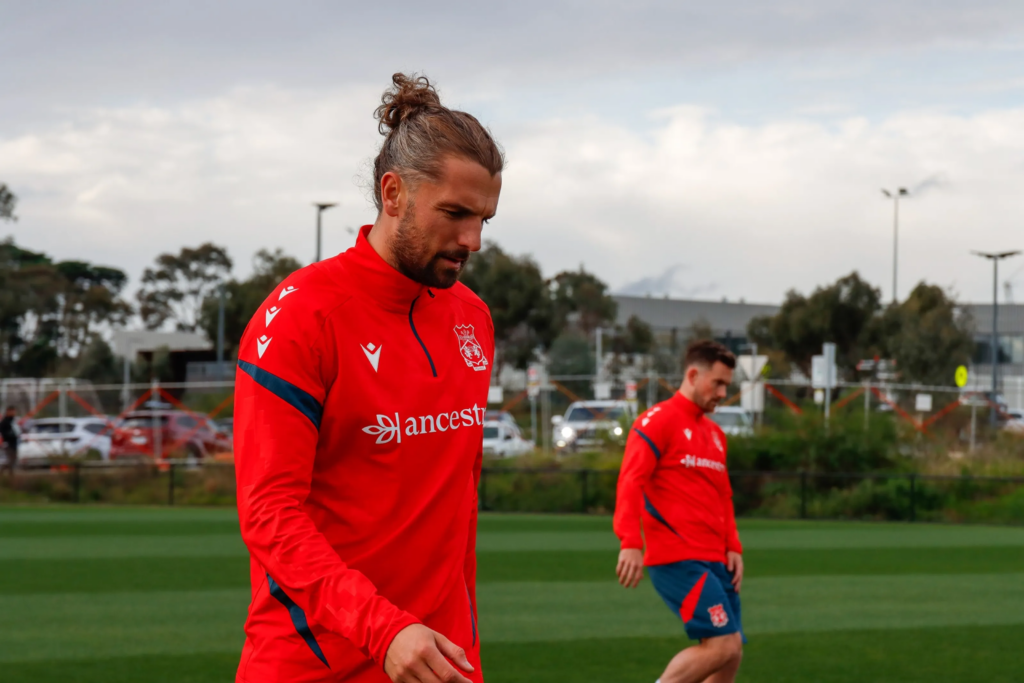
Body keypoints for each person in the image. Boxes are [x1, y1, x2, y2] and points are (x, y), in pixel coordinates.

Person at [232, 73, 502, 683]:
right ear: (393, 193)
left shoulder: (473, 319)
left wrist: (465, 647)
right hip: (314, 661)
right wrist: (384, 627)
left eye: (485, 218)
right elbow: (269, 511)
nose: (473, 240)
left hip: (438, 661)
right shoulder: (302, 315)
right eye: (455, 214)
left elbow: (458, 504)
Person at [614, 340, 745, 683]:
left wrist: (734, 546)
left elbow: (723, 496)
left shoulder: (715, 434)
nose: (722, 392)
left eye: (726, 385)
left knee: (730, 653)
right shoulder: (656, 421)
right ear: (692, 374)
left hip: (716, 559)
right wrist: (630, 540)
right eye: (717, 383)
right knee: (723, 645)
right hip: (676, 557)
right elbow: (631, 481)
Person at [0, 406, 18, 475]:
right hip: (8, 443)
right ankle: (8, 474)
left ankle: (9, 474)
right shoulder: (5, 421)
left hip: (14, 443)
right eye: (12, 411)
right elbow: (3, 432)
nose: (13, 413)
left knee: (13, 460)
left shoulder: (13, 420)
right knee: (11, 460)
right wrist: (10, 434)